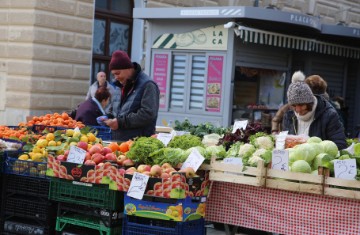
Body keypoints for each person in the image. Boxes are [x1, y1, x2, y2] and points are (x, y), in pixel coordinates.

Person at [103, 50, 160, 141]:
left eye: (118, 73)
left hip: (139, 144)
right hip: (118, 142)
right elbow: (114, 111)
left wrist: (120, 122)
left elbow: (147, 114)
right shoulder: (119, 86)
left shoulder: (148, 85)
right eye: (114, 74)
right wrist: (107, 117)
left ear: (129, 68)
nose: (116, 77)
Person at [282, 71, 347, 149]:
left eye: (301, 105)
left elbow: (340, 144)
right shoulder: (289, 116)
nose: (298, 110)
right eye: (294, 106)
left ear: (310, 102)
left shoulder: (329, 115)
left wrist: (312, 146)